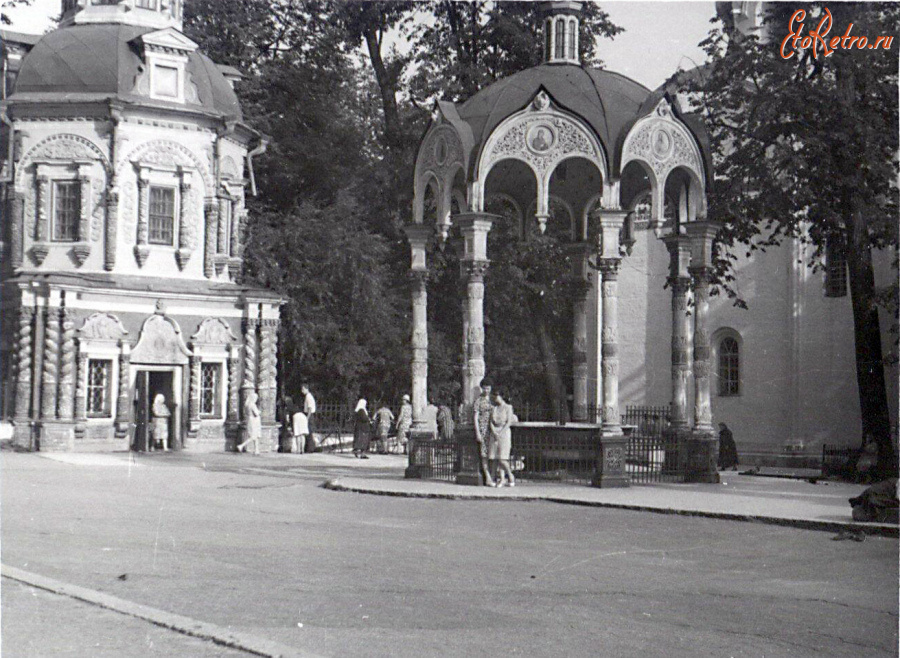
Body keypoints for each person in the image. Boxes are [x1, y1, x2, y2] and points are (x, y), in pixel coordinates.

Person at [489, 390, 515, 487]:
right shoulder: (494, 408)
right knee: (495, 457)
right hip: (494, 432)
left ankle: (511, 476)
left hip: (504, 432)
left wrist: (501, 432)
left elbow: (509, 422)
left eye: (497, 395)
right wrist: (494, 432)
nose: (495, 397)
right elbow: (491, 421)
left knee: (502, 458)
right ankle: (502, 479)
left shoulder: (508, 407)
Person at [473, 380, 496, 486]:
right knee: (484, 454)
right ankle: (488, 477)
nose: (487, 390)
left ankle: (495, 476)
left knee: (494, 453)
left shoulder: (494, 400)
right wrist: (477, 431)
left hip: (494, 428)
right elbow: (475, 417)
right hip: (483, 429)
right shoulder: (478, 401)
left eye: (488, 388)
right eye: (485, 388)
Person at [237, 390, 262, 455]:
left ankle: (256, 450)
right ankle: (241, 445)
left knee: (255, 435)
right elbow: (256, 413)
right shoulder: (252, 405)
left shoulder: (247, 404)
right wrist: (259, 412)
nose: (256, 399)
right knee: (253, 436)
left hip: (250, 419)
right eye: (255, 398)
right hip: (254, 420)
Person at [302, 384, 317, 452]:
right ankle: (308, 447)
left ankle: (310, 448)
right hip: (308, 414)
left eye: (303, 389)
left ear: (307, 389)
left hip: (309, 415)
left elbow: (310, 408)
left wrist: (307, 417)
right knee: (308, 431)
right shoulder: (307, 396)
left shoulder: (309, 397)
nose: (302, 391)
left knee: (309, 431)